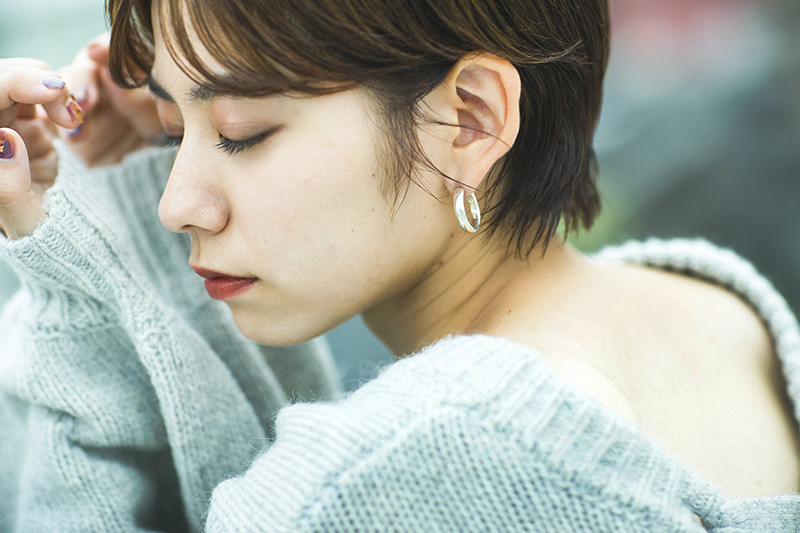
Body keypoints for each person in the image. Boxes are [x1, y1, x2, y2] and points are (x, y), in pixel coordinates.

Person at [0, 0, 798, 531]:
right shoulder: (722, 305)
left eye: (242, 133)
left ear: (470, 120)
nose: (174, 205)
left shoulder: (411, 454)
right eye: (174, 133)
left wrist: (80, 275)